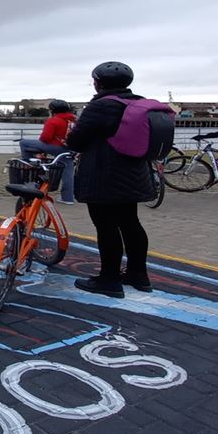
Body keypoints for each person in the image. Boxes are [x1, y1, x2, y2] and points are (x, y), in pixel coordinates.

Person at [65, 62, 155, 298]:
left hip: (103, 176)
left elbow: (76, 141)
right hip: (135, 174)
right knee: (130, 223)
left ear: (98, 82)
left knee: (106, 227)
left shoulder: (101, 106)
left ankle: (109, 280)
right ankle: (138, 275)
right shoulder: (137, 103)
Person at [18, 99, 77, 204]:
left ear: (52, 110)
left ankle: (29, 163)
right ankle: (68, 198)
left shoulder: (53, 120)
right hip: (68, 149)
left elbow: (45, 138)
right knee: (68, 174)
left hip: (54, 147)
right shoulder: (73, 120)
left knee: (24, 143)